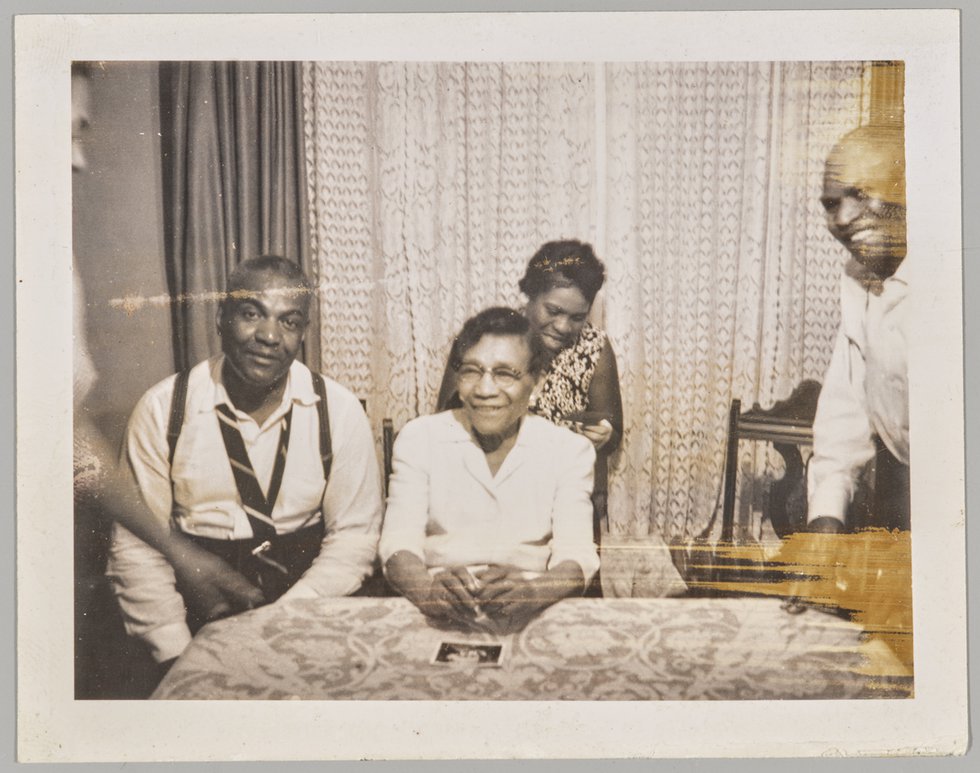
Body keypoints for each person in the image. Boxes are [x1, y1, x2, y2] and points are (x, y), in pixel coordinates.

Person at [107, 256, 383, 668]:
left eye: (289, 322)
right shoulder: (165, 409)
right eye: (252, 314)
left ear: (304, 333)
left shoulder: (338, 411)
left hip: (308, 604)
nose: (269, 335)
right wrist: (177, 653)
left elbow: (354, 538)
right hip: (196, 612)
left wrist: (286, 620)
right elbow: (136, 548)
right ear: (221, 317)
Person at [382, 307, 600, 634]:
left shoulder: (569, 450)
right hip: (435, 603)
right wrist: (426, 591)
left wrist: (535, 592)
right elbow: (397, 544)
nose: (485, 390)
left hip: (534, 607)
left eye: (505, 373)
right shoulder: (419, 438)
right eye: (472, 371)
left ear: (537, 382)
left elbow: (578, 555)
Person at [436, 240, 623, 543]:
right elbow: (445, 419)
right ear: (530, 295)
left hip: (565, 502)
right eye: (553, 310)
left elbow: (613, 432)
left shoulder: (595, 349)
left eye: (578, 317)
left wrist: (605, 434)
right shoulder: (489, 336)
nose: (563, 326)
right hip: (489, 491)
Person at [807, 125, 909, 534]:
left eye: (863, 194)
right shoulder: (857, 281)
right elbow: (843, 418)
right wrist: (823, 526)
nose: (845, 218)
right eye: (832, 204)